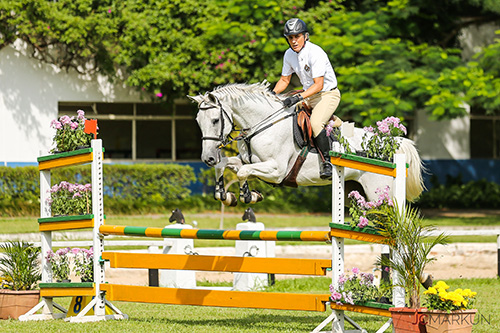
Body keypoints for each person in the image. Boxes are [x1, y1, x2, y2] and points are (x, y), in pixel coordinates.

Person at [272, 18, 341, 180]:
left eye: (297, 36)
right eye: (290, 38)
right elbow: (284, 81)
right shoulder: (289, 54)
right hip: (309, 95)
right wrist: (270, 96)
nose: (294, 41)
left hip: (327, 94)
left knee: (316, 123)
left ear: (305, 36)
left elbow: (318, 85)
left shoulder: (315, 52)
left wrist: (297, 97)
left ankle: (327, 162)